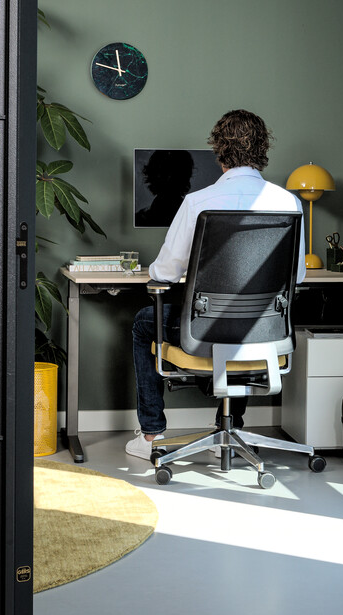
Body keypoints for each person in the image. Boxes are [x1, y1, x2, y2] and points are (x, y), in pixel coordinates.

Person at [126, 110, 306, 460]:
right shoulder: (289, 203)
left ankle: (151, 433)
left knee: (142, 323)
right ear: (262, 150)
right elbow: (296, 277)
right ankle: (232, 426)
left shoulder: (198, 202)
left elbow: (163, 274)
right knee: (237, 327)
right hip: (265, 333)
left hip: (203, 332)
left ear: (220, 153)